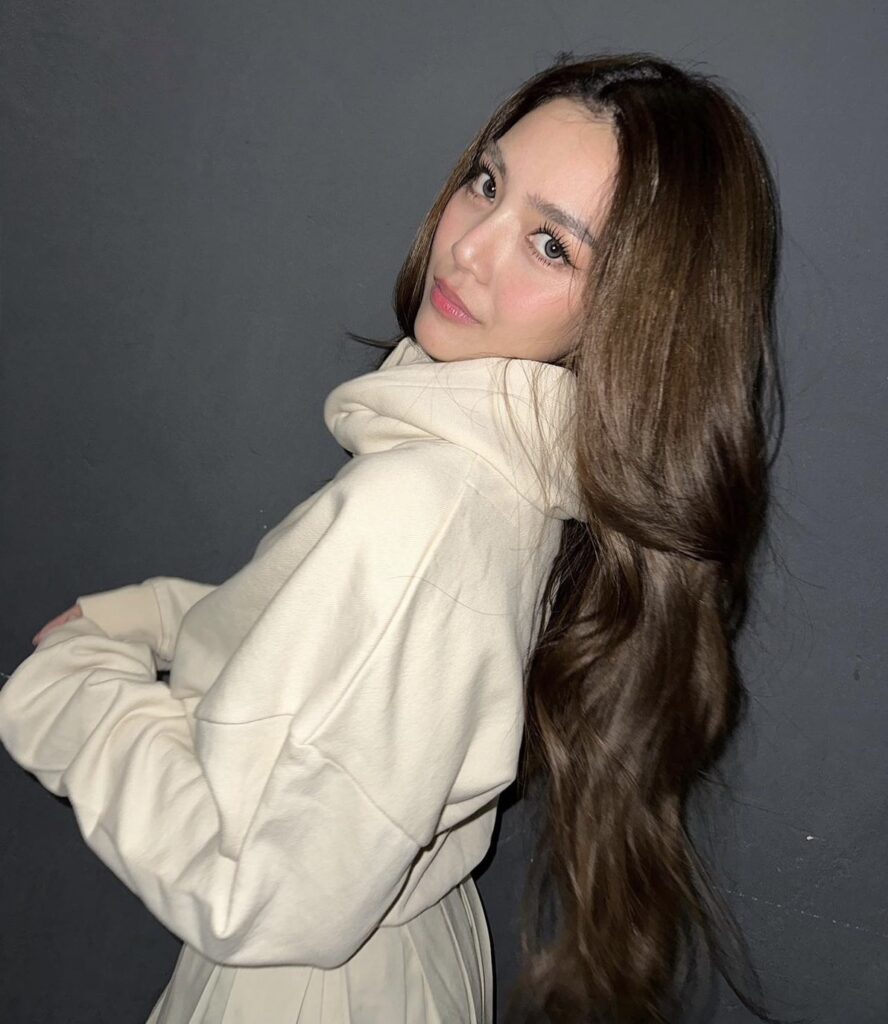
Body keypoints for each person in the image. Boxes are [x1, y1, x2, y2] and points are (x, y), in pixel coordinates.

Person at [0, 50, 784, 1024]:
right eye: (487, 184)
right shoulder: (503, 471)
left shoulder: (427, 503)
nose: (471, 247)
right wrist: (151, 618)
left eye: (551, 246)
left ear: (629, 320)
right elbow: (324, 642)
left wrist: (73, 690)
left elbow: (259, 896)